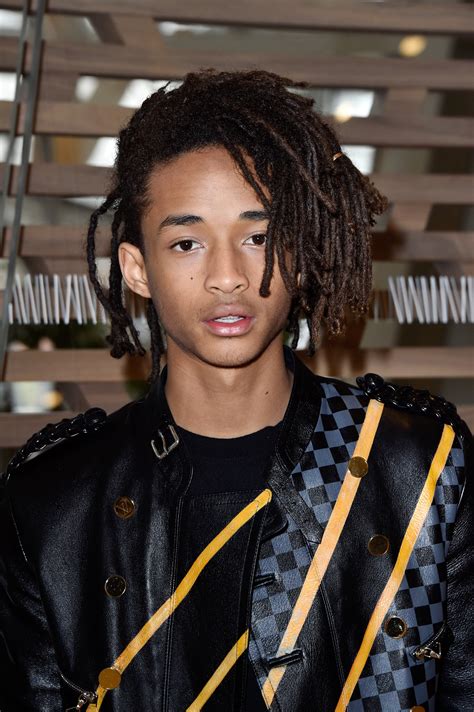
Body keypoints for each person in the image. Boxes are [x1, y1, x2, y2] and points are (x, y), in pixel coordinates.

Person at [0, 68, 472, 712]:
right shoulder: (51, 501)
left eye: (258, 237)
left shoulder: (422, 470)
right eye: (187, 242)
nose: (228, 276)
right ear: (137, 268)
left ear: (301, 251)